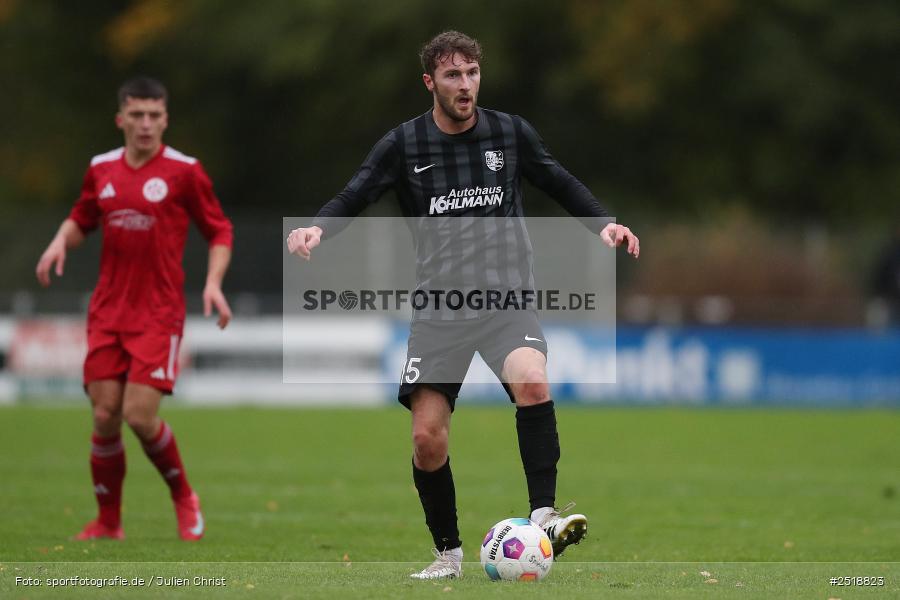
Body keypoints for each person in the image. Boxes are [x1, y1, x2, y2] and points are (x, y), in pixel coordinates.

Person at [286, 31, 639, 579]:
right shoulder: (403, 144)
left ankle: (543, 515)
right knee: (428, 439)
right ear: (430, 82)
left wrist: (603, 222)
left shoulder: (509, 132)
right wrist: (316, 228)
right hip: (440, 307)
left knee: (533, 382)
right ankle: (447, 553)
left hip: (506, 299)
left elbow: (558, 179)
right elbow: (356, 193)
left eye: (472, 73)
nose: (465, 85)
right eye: (453, 75)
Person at [35, 76, 234, 541]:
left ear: (165, 119)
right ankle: (108, 523)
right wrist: (57, 244)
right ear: (121, 119)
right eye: (137, 115)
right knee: (104, 415)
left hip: (158, 313)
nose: (146, 124)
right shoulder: (101, 169)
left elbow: (219, 230)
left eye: (154, 115)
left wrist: (213, 282)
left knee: (139, 417)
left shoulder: (185, 171)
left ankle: (185, 497)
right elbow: (82, 218)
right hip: (108, 311)